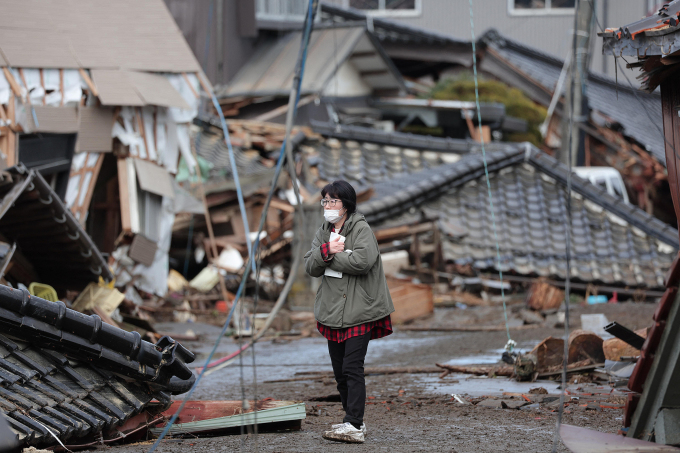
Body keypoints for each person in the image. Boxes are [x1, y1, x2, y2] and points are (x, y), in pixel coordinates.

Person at [304, 180, 395, 444]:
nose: (328, 206)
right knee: (339, 371)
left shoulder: (361, 228)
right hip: (332, 311)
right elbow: (310, 265)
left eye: (333, 201)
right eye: (325, 201)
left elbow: (363, 261)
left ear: (347, 204)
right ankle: (352, 419)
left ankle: (354, 424)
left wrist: (331, 257)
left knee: (353, 367)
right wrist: (327, 250)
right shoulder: (324, 230)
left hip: (359, 310)